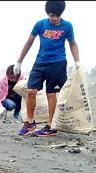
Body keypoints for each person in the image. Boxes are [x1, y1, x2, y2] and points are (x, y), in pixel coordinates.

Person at [14, 0, 80, 137]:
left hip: (58, 63)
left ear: (61, 14)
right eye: (51, 15)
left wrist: (77, 61)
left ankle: (51, 126)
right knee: (31, 91)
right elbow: (29, 42)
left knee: (51, 94)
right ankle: (30, 123)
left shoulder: (67, 26)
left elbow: (72, 44)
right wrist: (19, 61)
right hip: (40, 62)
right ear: (47, 14)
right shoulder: (40, 25)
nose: (54, 18)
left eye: (57, 15)